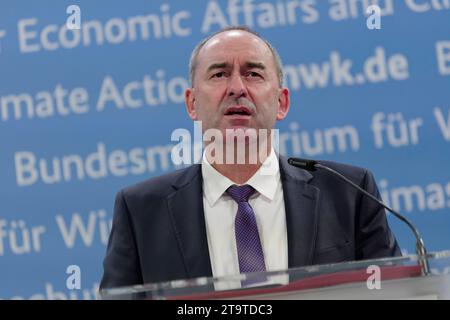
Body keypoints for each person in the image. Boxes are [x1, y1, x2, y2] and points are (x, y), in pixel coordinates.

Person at [100, 26, 401, 290]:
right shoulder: (141, 211)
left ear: (282, 102)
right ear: (192, 103)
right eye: (219, 74)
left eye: (253, 74)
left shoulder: (350, 193)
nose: (236, 88)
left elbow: (394, 291)